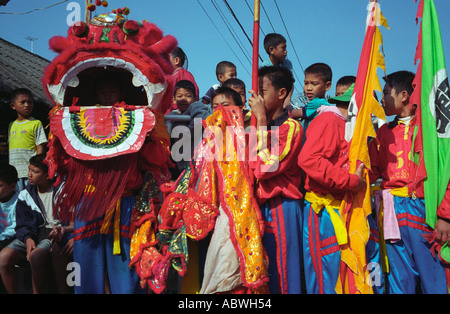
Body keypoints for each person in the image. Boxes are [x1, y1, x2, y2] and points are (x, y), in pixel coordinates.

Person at [369, 70, 450, 294]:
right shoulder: (383, 132)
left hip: (424, 210)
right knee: (398, 276)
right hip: (391, 211)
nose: (382, 99)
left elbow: (447, 172)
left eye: (386, 93)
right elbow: (372, 169)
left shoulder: (431, 130)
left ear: (404, 95)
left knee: (433, 276)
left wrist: (445, 215)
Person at [298, 80, 366, 294]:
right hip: (323, 211)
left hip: (342, 207)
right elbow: (309, 160)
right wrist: (351, 181)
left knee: (342, 272)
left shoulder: (348, 126)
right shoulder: (330, 120)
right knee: (325, 271)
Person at [248, 66, 304, 294]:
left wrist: (260, 118)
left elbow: (265, 167)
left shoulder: (290, 128)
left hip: (281, 207)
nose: (256, 97)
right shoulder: (253, 125)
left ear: (281, 94)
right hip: (258, 208)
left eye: (262, 91)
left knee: (282, 274)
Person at [0, 154, 68, 294]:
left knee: (35, 256)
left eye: (35, 171)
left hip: (52, 233)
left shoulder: (62, 190)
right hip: (32, 234)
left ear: (49, 175)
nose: (29, 175)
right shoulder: (25, 194)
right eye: (29, 170)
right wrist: (28, 238)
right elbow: (23, 223)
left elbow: (67, 220)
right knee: (4, 258)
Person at [8, 88, 47, 191]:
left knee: (29, 198)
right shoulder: (11, 126)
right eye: (22, 102)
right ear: (13, 106)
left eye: (30, 102)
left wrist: (37, 168)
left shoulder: (36, 123)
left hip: (29, 172)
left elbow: (40, 146)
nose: (27, 105)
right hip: (14, 172)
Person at [287, 63, 332, 133]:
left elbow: (293, 113)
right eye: (306, 83)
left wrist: (287, 101)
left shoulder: (317, 103)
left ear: (327, 86)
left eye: (314, 84)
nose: (308, 88)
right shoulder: (323, 104)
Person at [168, 47, 200, 112]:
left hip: (181, 116)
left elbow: (193, 93)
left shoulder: (183, 74)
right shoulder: (169, 78)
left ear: (176, 60)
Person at [0, 164, 18, 250]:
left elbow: (15, 228)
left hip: (10, 240)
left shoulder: (20, 203)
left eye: (0, 186)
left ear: (12, 186)